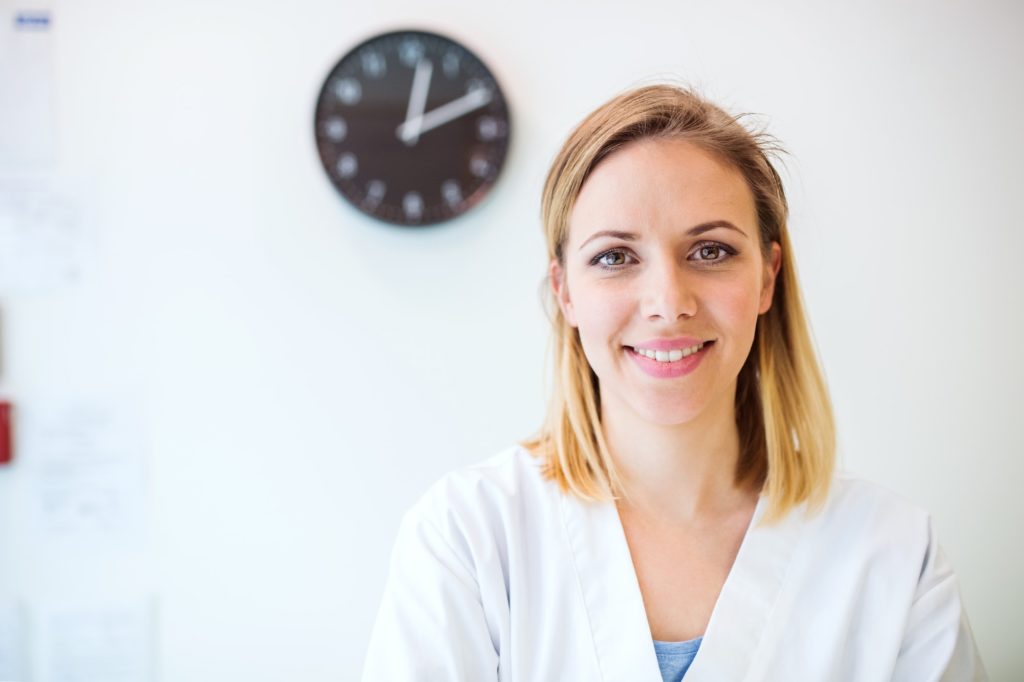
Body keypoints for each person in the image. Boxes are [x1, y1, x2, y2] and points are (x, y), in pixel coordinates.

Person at [361, 83, 988, 681]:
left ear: (768, 277)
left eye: (710, 250)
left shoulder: (894, 553)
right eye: (614, 257)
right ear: (565, 291)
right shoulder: (468, 537)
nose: (667, 302)